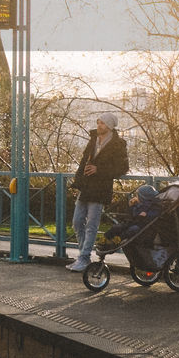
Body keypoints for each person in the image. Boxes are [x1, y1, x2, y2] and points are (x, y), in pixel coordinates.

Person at [67, 112, 130, 272]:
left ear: (109, 126)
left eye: (102, 123)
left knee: (91, 225)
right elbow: (83, 162)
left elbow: (122, 168)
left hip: (101, 188)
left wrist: (98, 169)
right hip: (86, 187)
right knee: (76, 221)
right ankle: (84, 256)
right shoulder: (93, 139)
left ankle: (83, 258)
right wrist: (77, 182)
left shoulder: (118, 144)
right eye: (98, 122)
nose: (99, 125)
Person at [100, 185, 164, 247]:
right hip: (132, 222)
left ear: (143, 198)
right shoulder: (138, 204)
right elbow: (132, 214)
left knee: (132, 230)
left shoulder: (154, 206)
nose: (136, 197)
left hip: (142, 225)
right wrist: (131, 206)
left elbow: (156, 213)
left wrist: (147, 214)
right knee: (117, 227)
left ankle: (117, 240)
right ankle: (104, 240)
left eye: (137, 196)